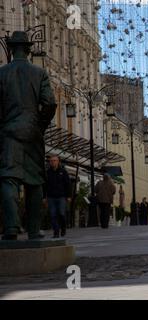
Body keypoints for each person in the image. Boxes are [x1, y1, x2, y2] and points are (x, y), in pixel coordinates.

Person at [0, 31, 57, 240]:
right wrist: (39, 126)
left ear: (12, 49)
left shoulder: (2, 73)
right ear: (28, 49)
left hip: (9, 133)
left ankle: (11, 229)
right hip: (33, 133)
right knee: (34, 181)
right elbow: (50, 103)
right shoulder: (39, 73)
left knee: (8, 179)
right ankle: (34, 230)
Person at [44, 155, 72, 238]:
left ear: (58, 161)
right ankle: (56, 232)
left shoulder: (63, 172)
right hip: (51, 197)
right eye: (51, 161)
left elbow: (68, 184)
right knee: (52, 215)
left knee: (61, 213)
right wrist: (44, 197)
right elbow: (44, 185)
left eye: (54, 160)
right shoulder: (47, 173)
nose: (53, 162)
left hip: (61, 197)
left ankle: (63, 227)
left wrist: (69, 196)